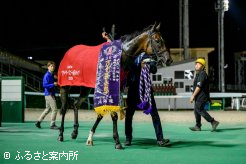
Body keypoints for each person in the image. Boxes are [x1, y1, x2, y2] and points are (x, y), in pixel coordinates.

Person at [124, 52, 170, 147]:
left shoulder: (149, 57)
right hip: (133, 91)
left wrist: (148, 64)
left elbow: (154, 70)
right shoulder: (131, 56)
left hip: (146, 91)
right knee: (128, 115)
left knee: (155, 115)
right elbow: (127, 70)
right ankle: (128, 138)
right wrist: (139, 65)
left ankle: (160, 139)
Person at [189, 58, 219, 132]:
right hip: (198, 96)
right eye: (196, 64)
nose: (196, 65)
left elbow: (199, 86)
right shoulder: (198, 74)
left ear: (202, 66)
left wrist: (193, 96)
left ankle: (213, 121)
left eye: (199, 64)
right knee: (196, 110)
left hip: (202, 96)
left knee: (199, 109)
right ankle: (198, 126)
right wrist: (193, 94)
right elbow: (196, 86)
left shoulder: (202, 74)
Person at [35, 61, 59, 129]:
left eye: (53, 66)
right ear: (48, 67)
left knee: (47, 109)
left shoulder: (51, 75)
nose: (53, 67)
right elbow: (44, 85)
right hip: (49, 95)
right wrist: (53, 84)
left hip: (48, 94)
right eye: (51, 66)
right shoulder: (47, 75)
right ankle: (52, 124)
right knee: (55, 110)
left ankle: (38, 122)